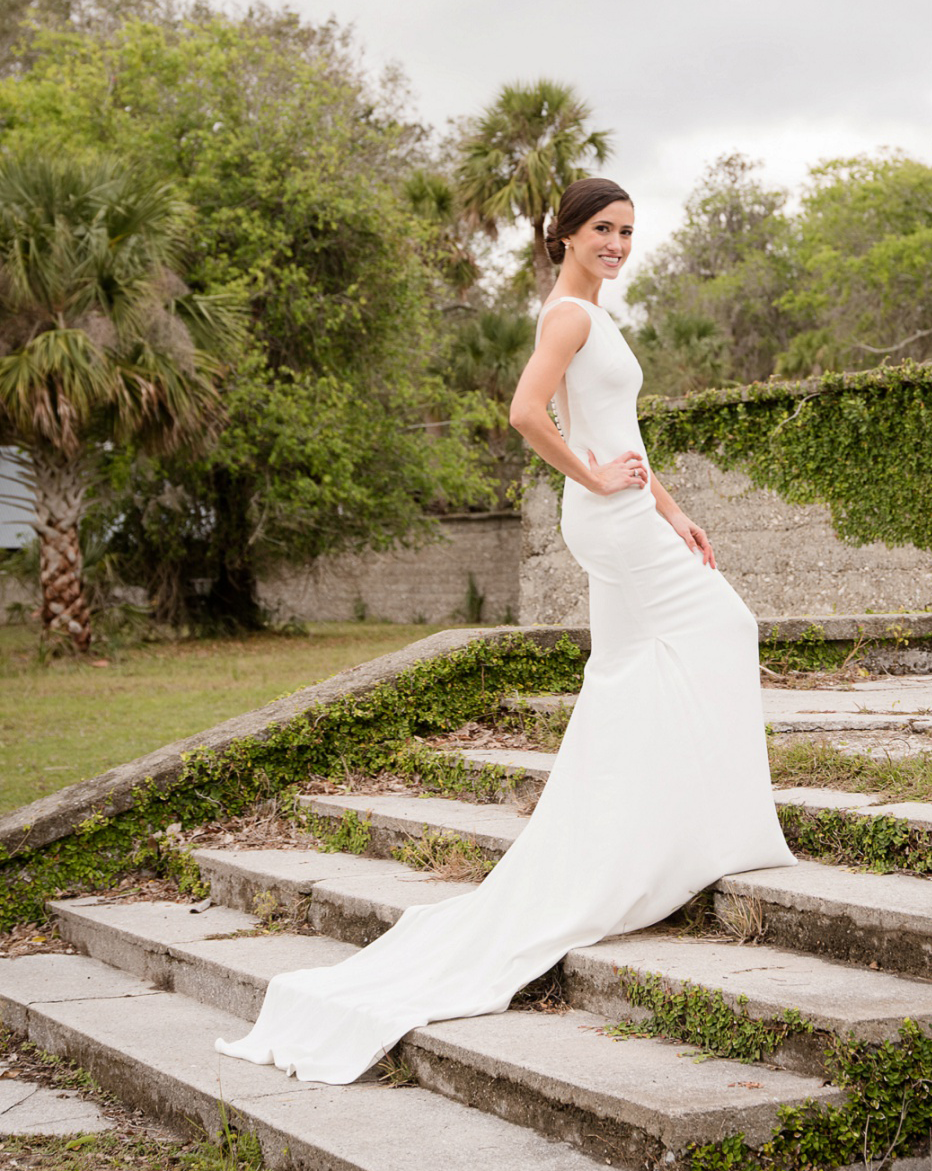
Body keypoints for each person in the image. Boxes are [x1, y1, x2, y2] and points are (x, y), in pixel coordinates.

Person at [214, 176, 795, 1084]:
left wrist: (671, 507)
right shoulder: (567, 316)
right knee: (729, 626)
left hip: (629, 512)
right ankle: (693, 827)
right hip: (606, 512)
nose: (617, 243)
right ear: (564, 233)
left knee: (640, 665)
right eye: (604, 228)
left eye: (628, 231)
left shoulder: (589, 315)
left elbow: (621, 428)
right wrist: (599, 483)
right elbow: (527, 415)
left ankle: (656, 825)